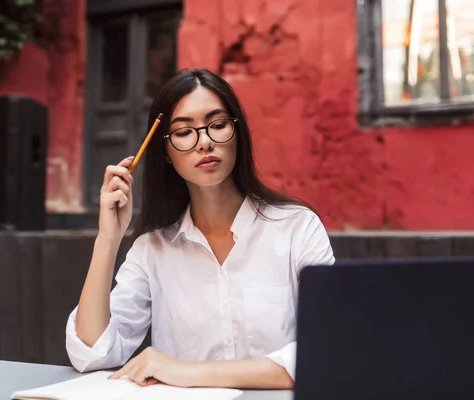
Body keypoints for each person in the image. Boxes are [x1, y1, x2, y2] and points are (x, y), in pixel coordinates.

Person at [65, 68, 335, 389]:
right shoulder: (152, 248)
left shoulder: (297, 229)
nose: (205, 142)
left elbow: (326, 350)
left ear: (238, 134)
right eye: (183, 132)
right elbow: (91, 353)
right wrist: (108, 238)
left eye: (218, 125)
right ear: (165, 151)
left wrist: (186, 372)